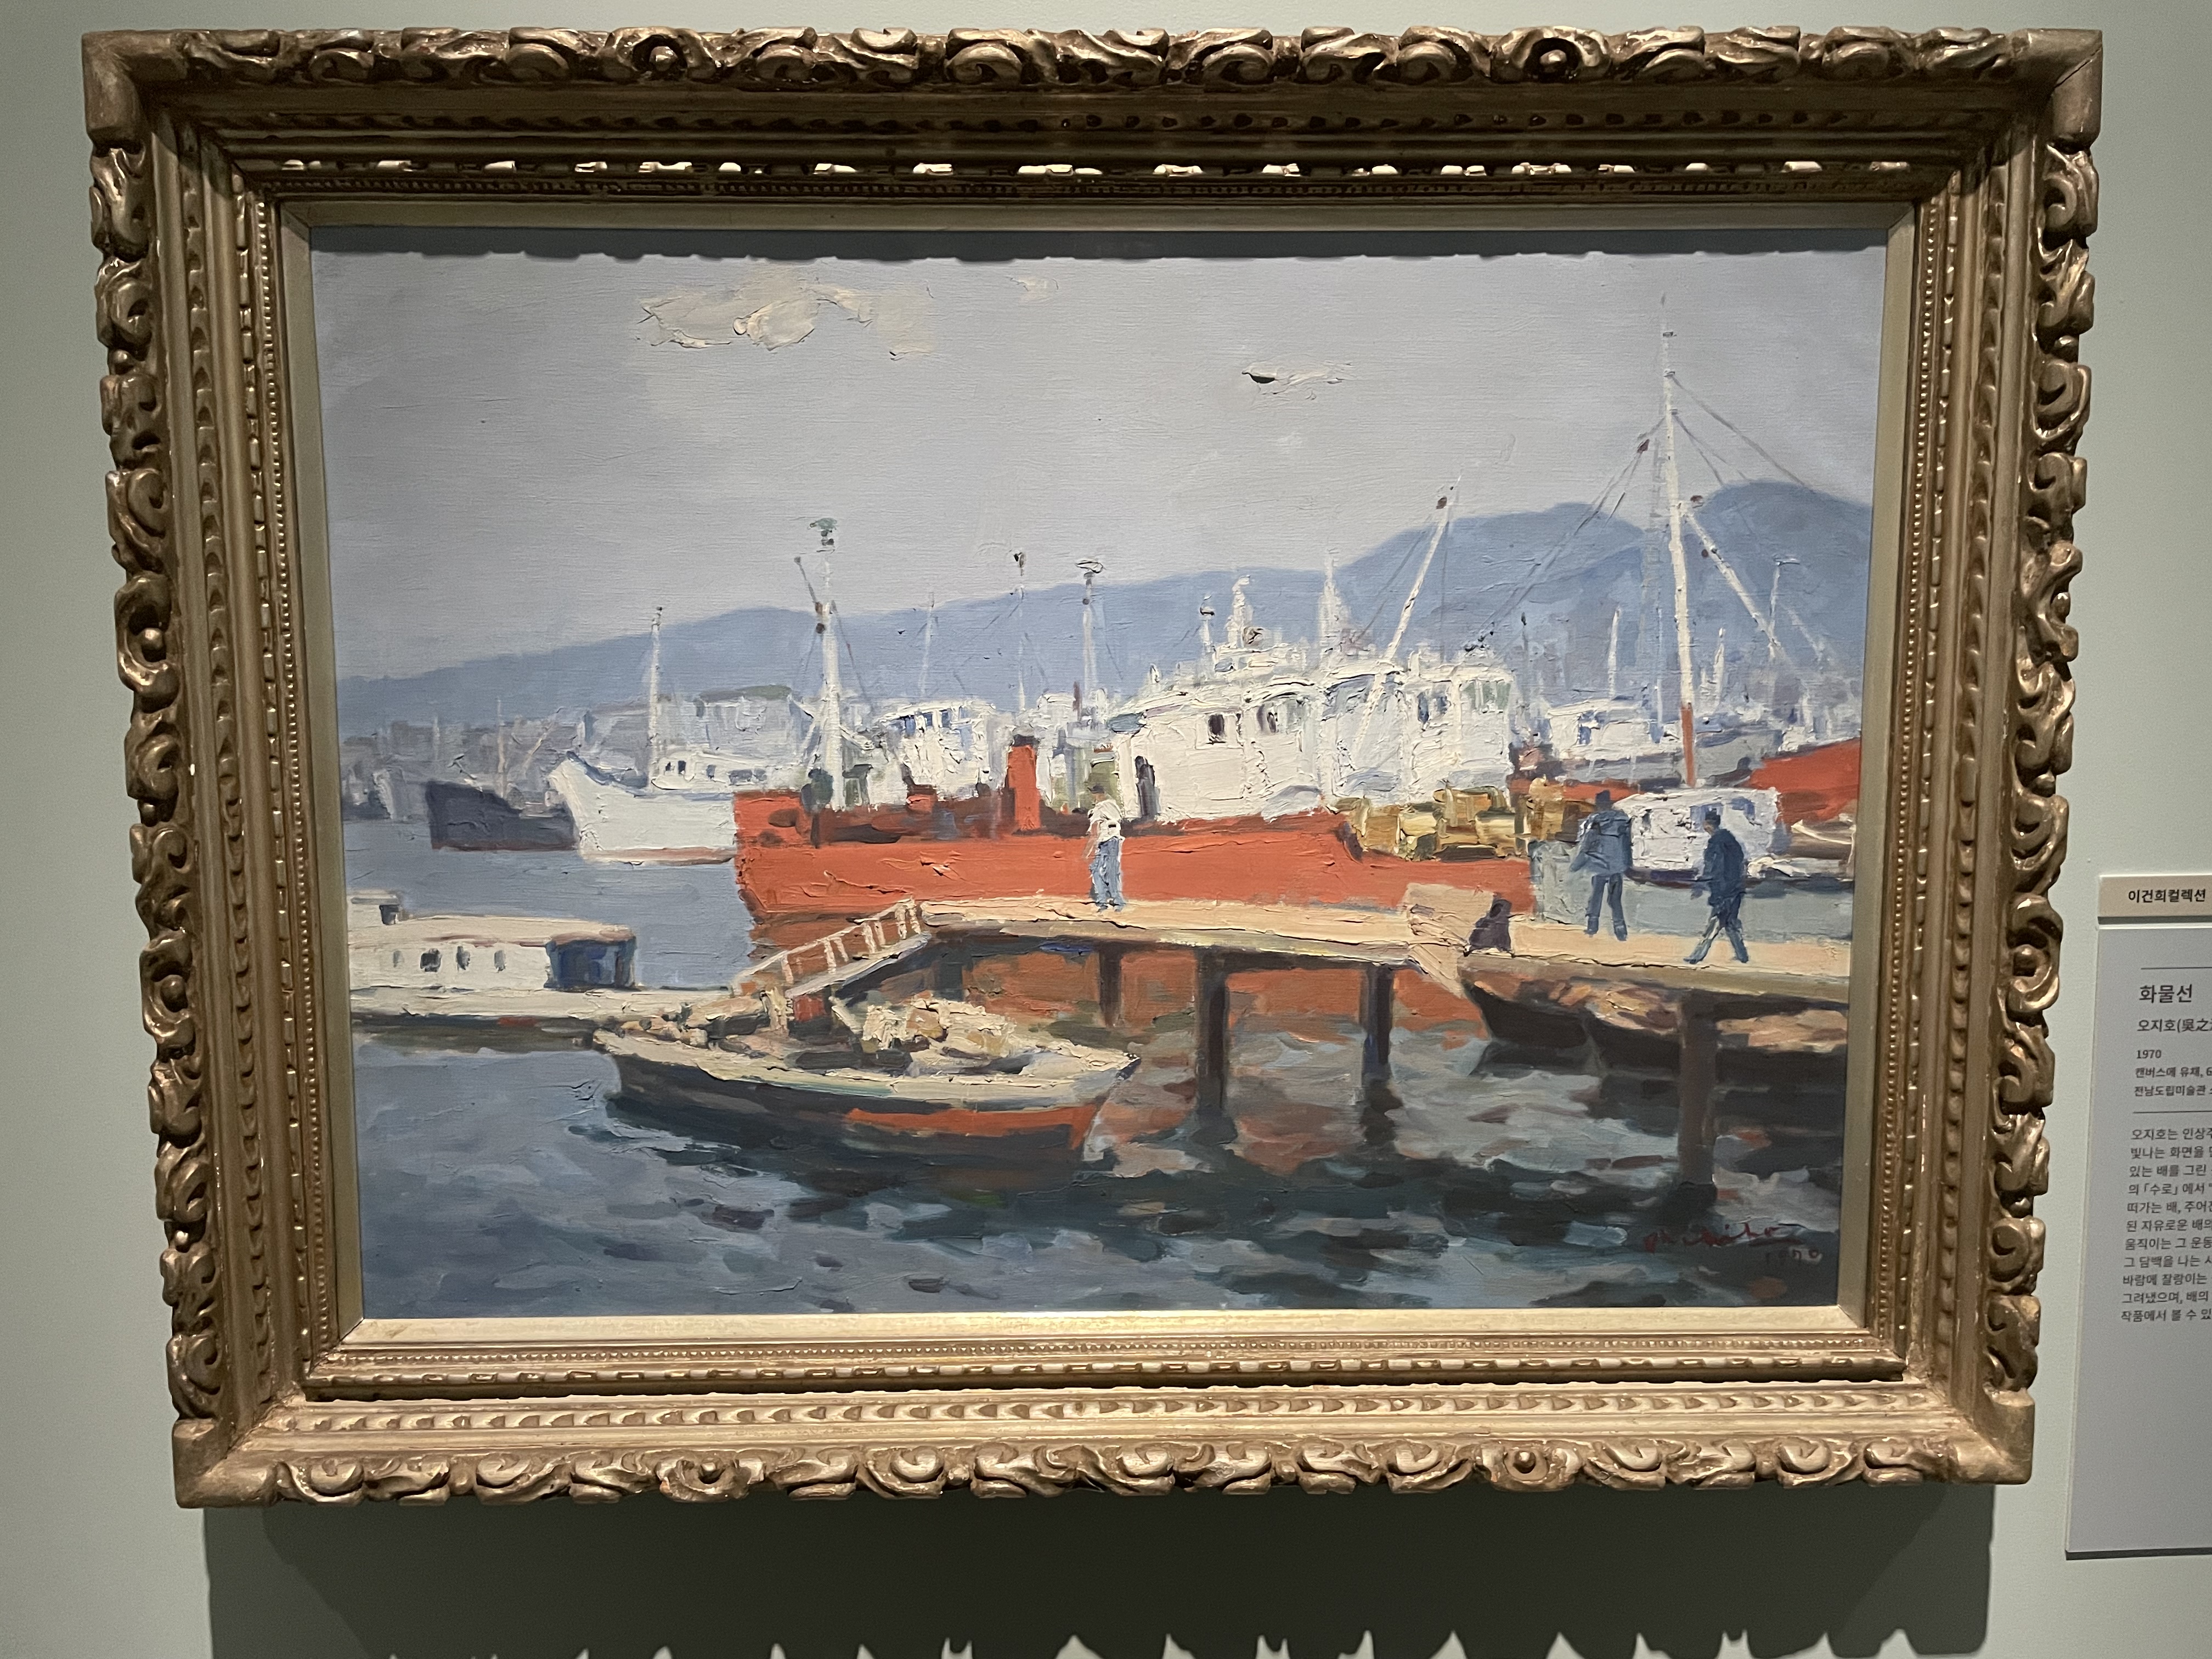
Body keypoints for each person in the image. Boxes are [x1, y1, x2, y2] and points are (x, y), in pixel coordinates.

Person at [1686, 805, 1750, 964]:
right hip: (1736, 889)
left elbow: (1713, 868)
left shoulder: (1716, 843)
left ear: (1708, 825)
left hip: (1723, 891)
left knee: (1714, 924)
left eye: (1705, 823)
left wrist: (1701, 884)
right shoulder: (1732, 842)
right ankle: (1742, 955)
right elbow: (1740, 863)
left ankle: (1697, 956)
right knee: (1731, 924)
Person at [1569, 788, 1633, 941]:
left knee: (1596, 896)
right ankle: (1620, 930)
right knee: (1615, 899)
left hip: (1600, 866)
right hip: (1617, 866)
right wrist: (1627, 864)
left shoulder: (1595, 822)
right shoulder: (1623, 820)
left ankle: (1592, 926)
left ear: (1598, 805)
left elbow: (1587, 846)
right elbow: (1628, 844)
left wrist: (1576, 866)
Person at [1085, 784, 1125, 912]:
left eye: (1094, 795)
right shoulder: (1113, 806)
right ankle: (1116, 901)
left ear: (1099, 795)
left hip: (1105, 842)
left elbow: (1094, 833)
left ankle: (1104, 901)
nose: (1094, 798)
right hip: (1115, 841)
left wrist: (1087, 852)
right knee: (1112, 871)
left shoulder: (1099, 809)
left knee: (1098, 871)